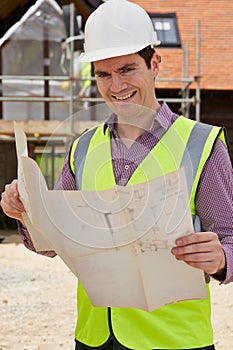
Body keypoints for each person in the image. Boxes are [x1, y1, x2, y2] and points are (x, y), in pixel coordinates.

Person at [1, 0, 232, 349]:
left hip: (174, 340)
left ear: (154, 64)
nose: (115, 85)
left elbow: (229, 236)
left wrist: (221, 259)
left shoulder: (202, 143)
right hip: (94, 337)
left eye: (127, 69)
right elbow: (51, 242)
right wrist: (26, 214)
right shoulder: (82, 148)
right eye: (103, 74)